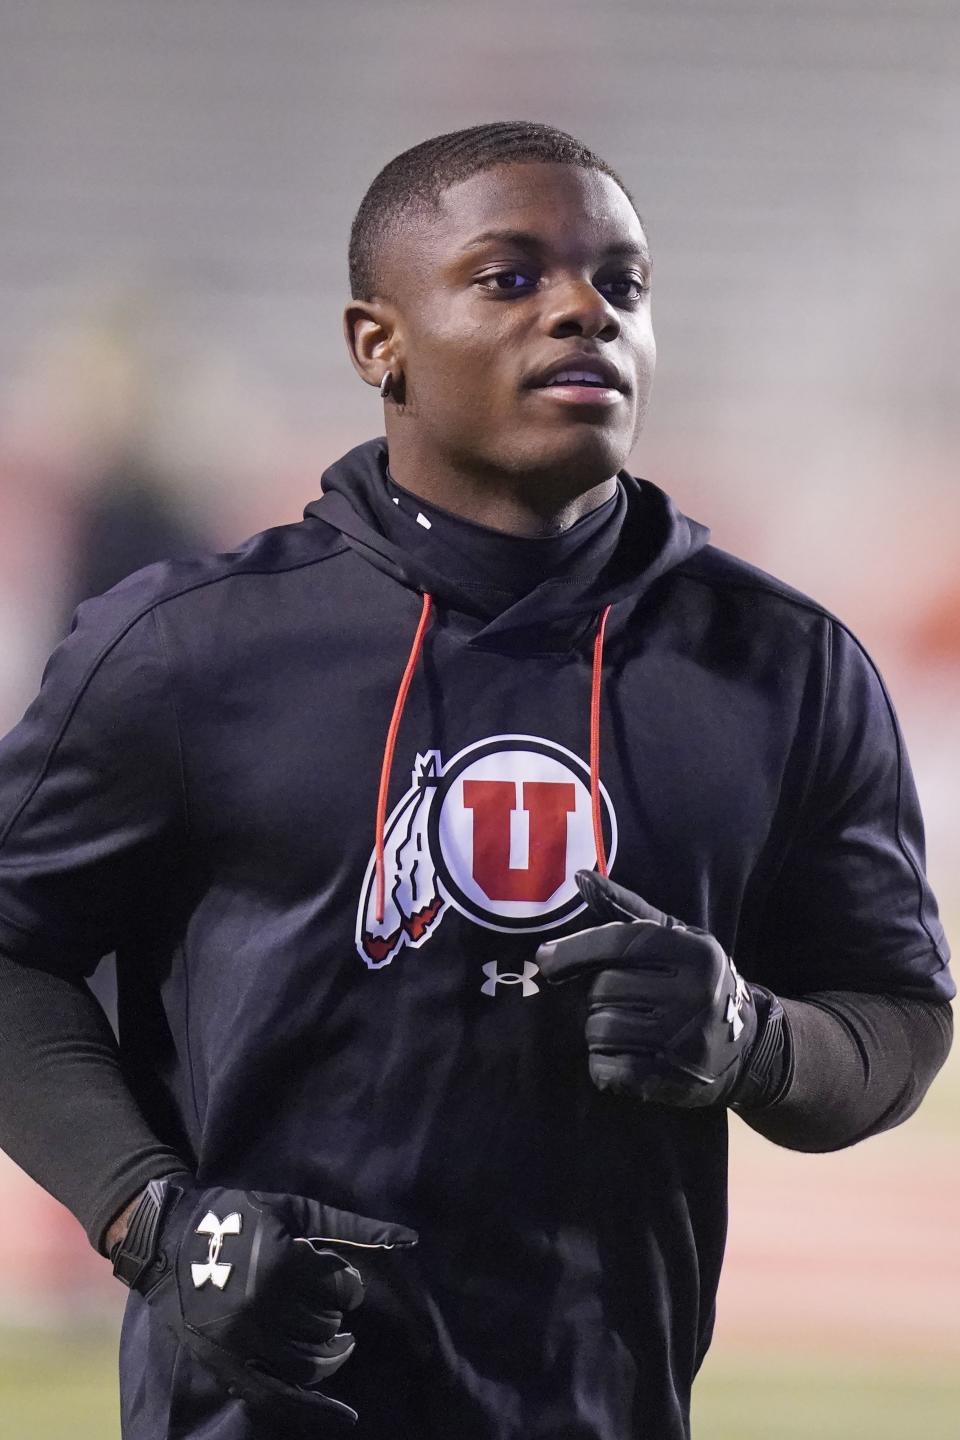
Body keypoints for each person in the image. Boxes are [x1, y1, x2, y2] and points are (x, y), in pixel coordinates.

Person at [0, 121, 953, 1440]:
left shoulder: (788, 668)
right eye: (512, 277)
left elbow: (896, 1015)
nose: (583, 310)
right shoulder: (185, 648)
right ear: (375, 342)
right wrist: (151, 1216)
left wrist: (753, 1042)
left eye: (622, 284)